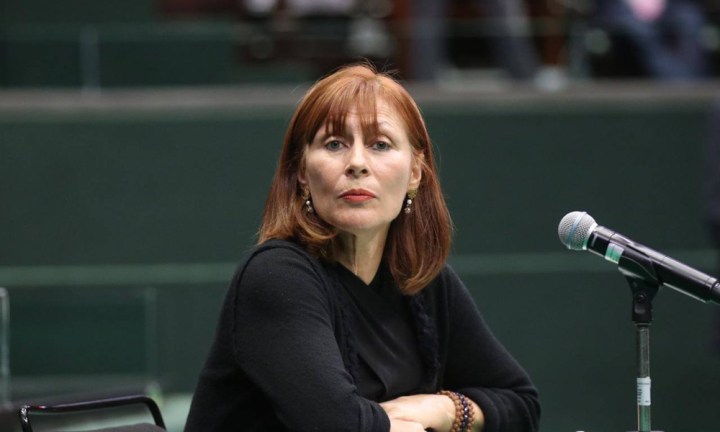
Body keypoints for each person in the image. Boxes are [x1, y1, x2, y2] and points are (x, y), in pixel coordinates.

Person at [184, 63, 541, 432]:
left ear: (415, 173)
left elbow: (521, 404)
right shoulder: (276, 277)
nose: (357, 163)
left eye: (380, 145)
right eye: (334, 144)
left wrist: (444, 409)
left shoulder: (423, 283)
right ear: (302, 173)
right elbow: (338, 425)